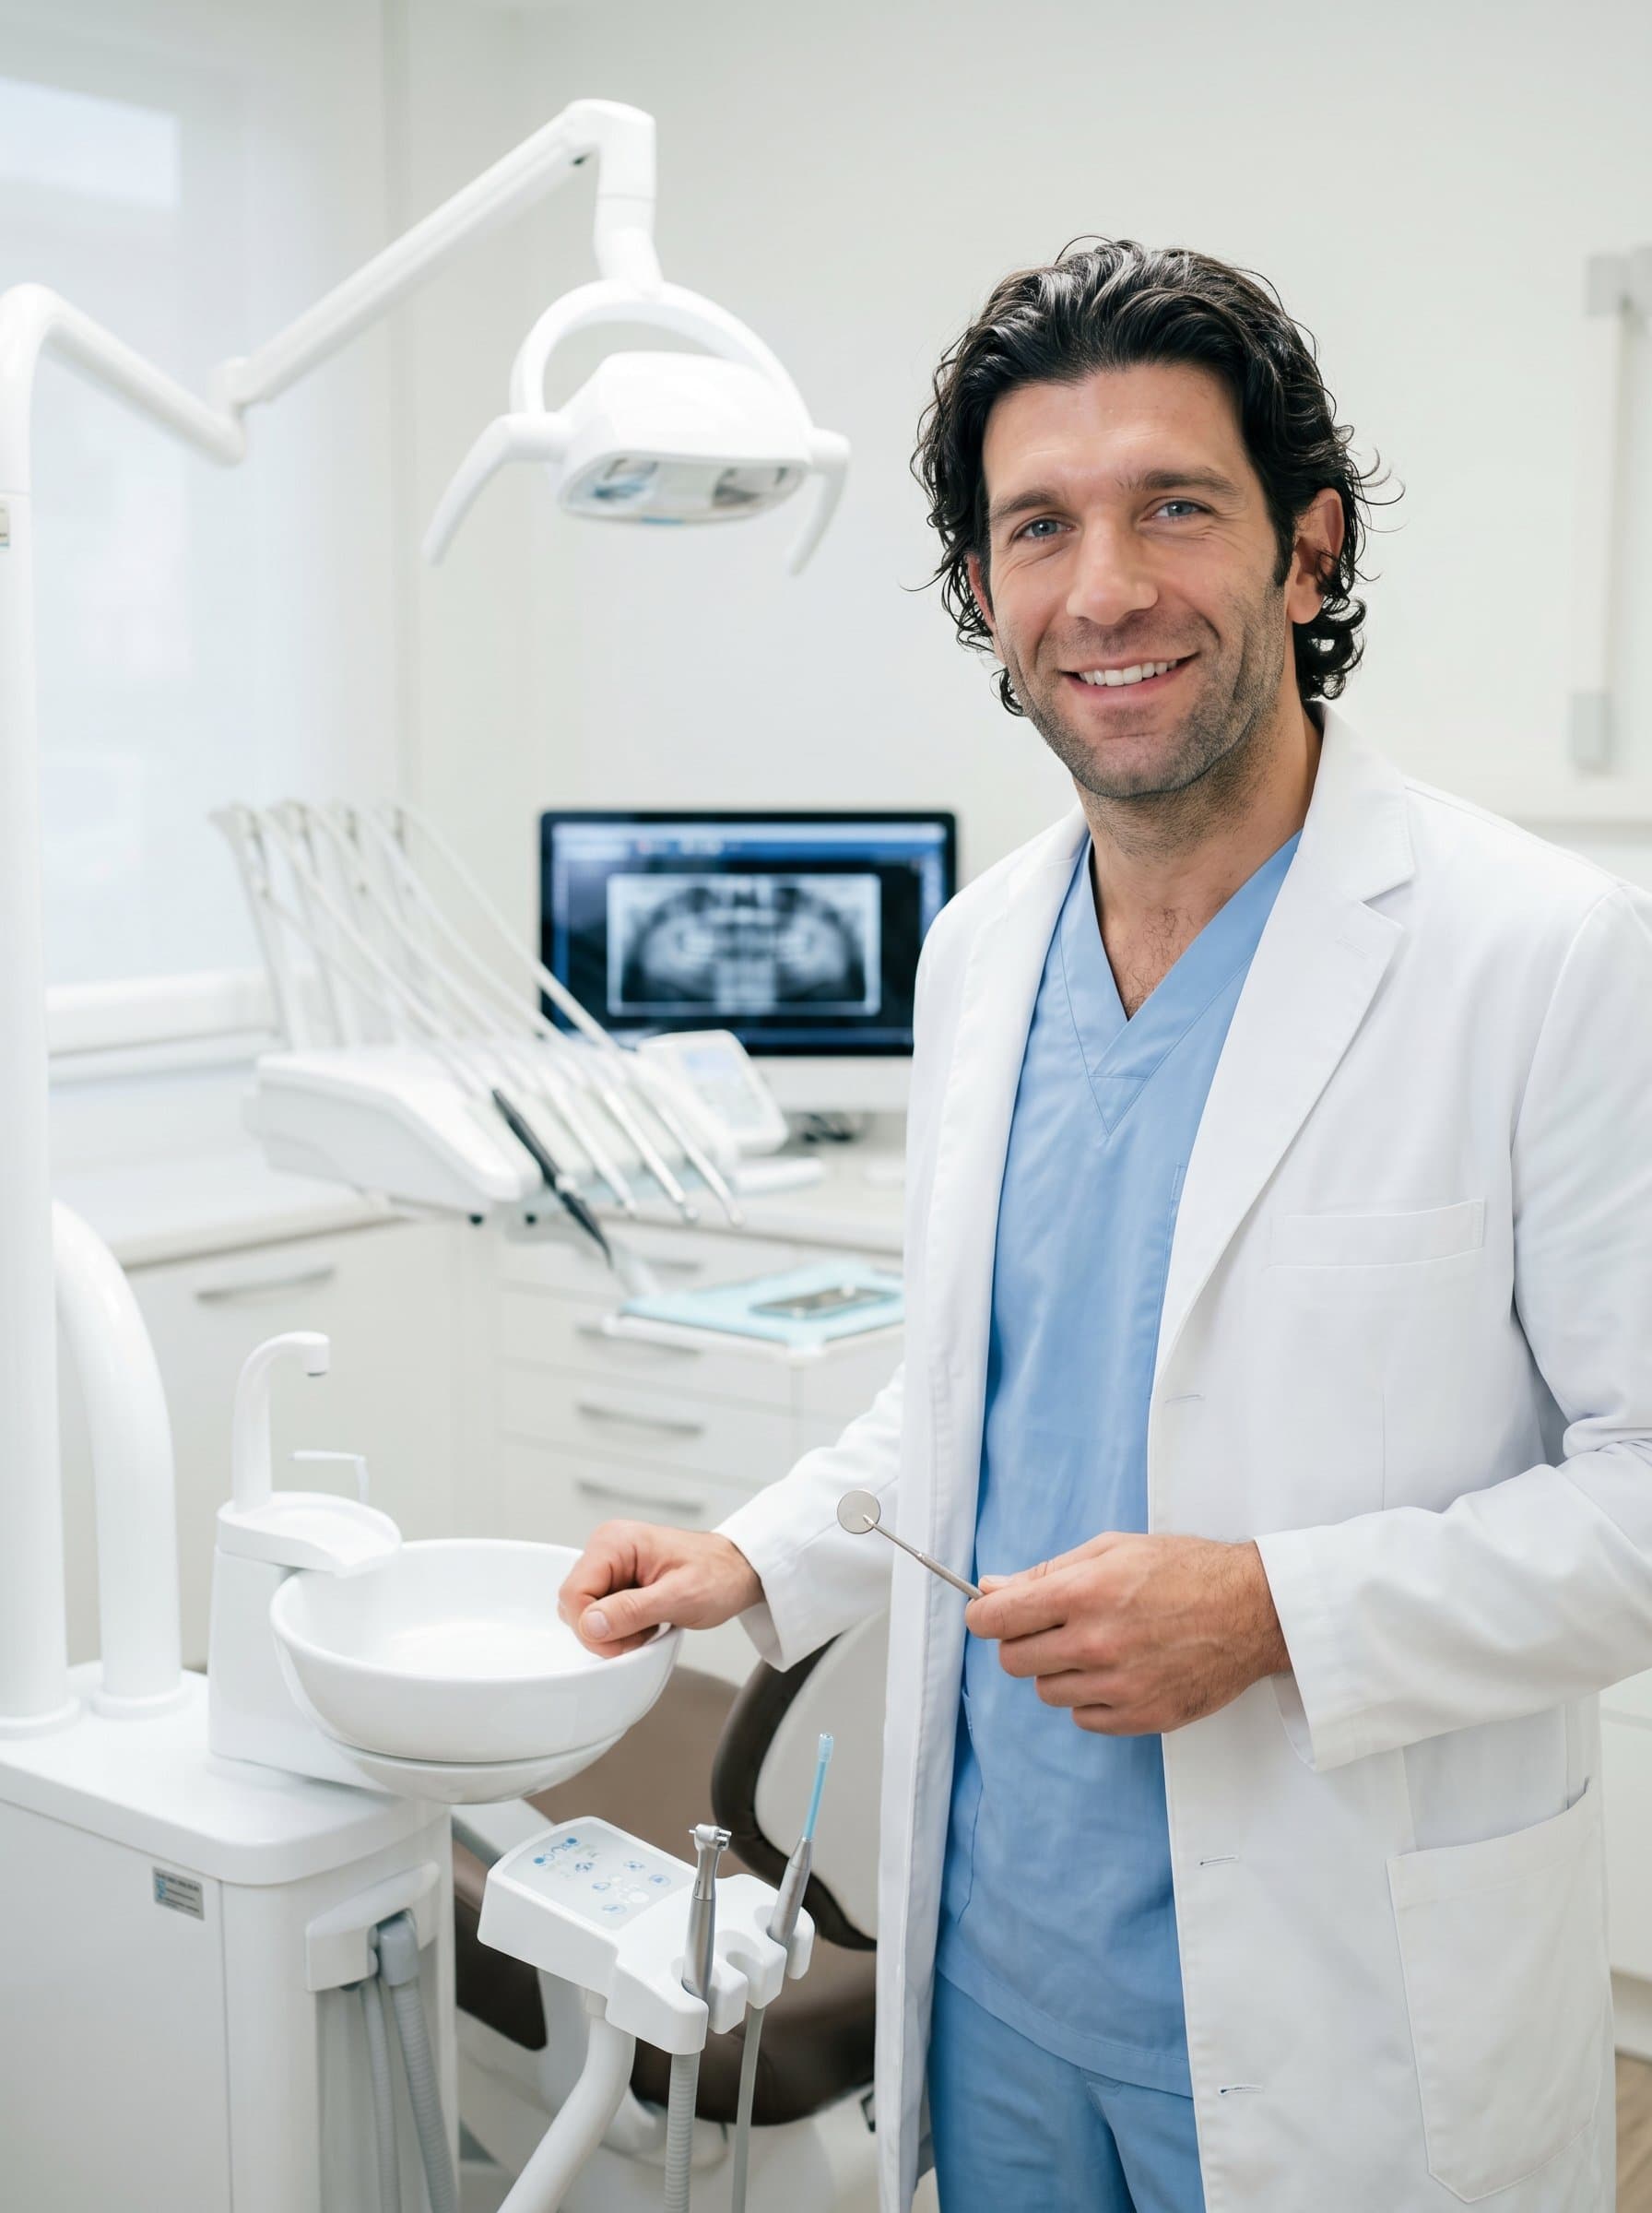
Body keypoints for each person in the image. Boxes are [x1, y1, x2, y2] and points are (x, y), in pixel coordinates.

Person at [559, 239, 1652, 2211]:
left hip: (1340, 1992)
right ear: (984, 594)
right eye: (1036, 527)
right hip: (984, 1962)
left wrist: (1268, 1613)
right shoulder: (979, 953)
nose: (1105, 588)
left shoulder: (1540, 958)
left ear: (1305, 549)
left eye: (1174, 507)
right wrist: (748, 1555)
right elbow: (969, 1393)